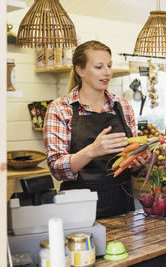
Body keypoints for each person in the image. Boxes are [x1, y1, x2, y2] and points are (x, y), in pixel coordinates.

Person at [43, 40, 148, 219]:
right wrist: (93, 150)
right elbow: (57, 168)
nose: (107, 72)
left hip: (122, 205)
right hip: (78, 208)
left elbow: (130, 158)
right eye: (99, 67)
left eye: (109, 65)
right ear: (80, 70)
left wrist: (136, 164)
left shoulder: (122, 106)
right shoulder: (60, 109)